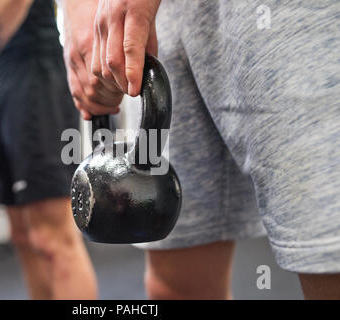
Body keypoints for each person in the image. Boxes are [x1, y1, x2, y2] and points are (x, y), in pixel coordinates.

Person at [60, 0, 340, 299]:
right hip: (155, 24)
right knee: (175, 287)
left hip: (287, 16)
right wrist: (77, 10)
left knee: (327, 259)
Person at [0, 0, 97, 299]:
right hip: (8, 83)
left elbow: (9, 5)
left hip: (38, 78)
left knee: (54, 238)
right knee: (22, 234)